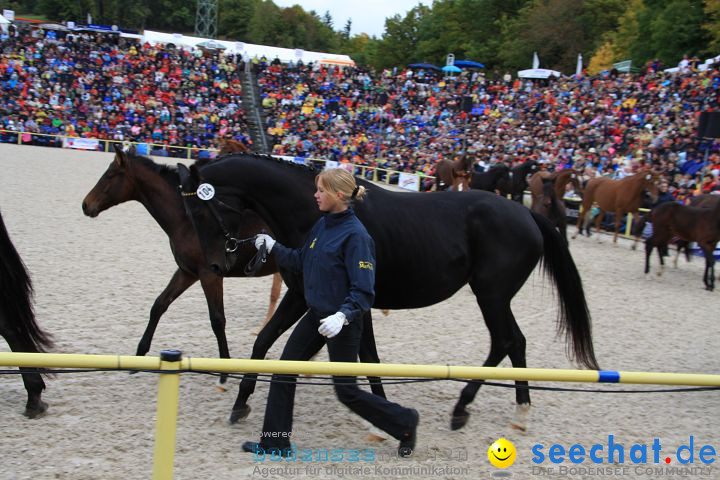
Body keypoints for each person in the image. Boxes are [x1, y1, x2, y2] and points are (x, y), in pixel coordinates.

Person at [242, 168, 419, 458]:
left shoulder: (357, 237)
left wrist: (343, 316)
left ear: (338, 195)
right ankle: (275, 442)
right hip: (316, 316)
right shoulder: (323, 224)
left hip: (342, 323)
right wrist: (273, 247)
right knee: (284, 371)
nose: (315, 194)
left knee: (346, 391)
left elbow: (364, 292)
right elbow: (301, 259)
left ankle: (405, 421)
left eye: (321, 190)